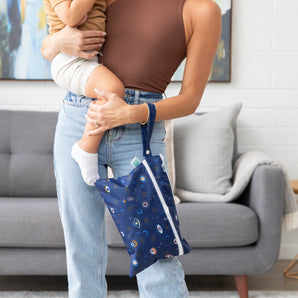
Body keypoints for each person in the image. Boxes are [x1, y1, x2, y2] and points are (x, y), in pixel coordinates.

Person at [41, 0, 221, 297]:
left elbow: (191, 98)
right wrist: (58, 40)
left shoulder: (201, 10)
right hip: (78, 117)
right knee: (81, 249)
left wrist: (132, 114)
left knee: (156, 253)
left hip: (139, 127)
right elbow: (50, 49)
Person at [43, 0, 125, 185]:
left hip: (87, 60)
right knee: (113, 89)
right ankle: (86, 147)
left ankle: (88, 147)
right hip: (69, 61)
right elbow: (71, 17)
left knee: (111, 88)